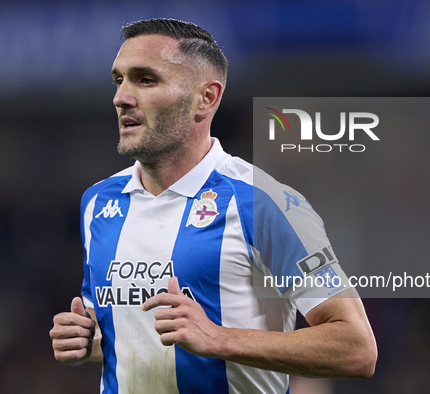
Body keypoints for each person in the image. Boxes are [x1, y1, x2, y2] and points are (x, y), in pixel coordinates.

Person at [49, 18, 377, 394]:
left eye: (145, 80)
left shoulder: (261, 202)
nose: (121, 96)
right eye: (118, 79)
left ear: (205, 98)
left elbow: (357, 348)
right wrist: (85, 339)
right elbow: (126, 334)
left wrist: (218, 338)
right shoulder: (99, 201)